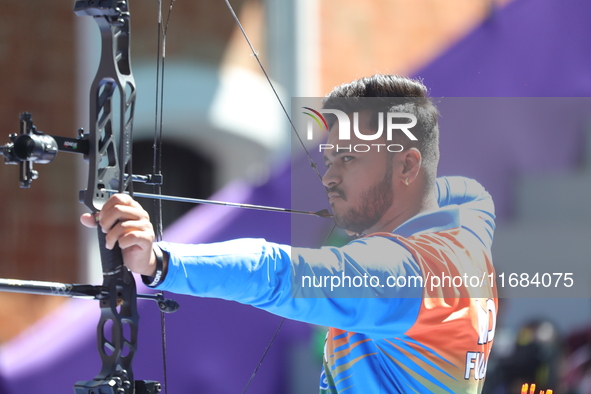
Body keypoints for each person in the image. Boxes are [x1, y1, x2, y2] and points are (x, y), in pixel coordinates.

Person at [81, 74, 497, 393]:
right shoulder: (470, 226)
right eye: (330, 158)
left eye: (349, 159)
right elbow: (469, 192)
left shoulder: (399, 276)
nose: (330, 177)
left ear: (407, 166)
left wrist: (160, 262)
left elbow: (274, 273)